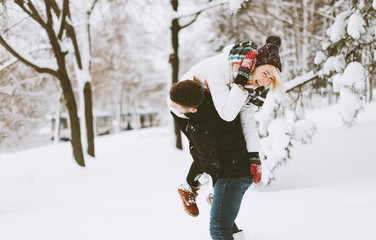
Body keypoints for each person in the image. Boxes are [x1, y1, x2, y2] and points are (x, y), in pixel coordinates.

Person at [169, 36, 283, 239]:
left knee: (222, 223)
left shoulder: (250, 82)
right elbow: (227, 114)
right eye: (266, 73)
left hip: (213, 112)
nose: (266, 82)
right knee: (205, 151)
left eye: (271, 79)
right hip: (186, 107)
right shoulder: (219, 68)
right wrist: (241, 82)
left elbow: (245, 117)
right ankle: (194, 187)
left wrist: (254, 156)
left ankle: (212, 191)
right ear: (254, 64)